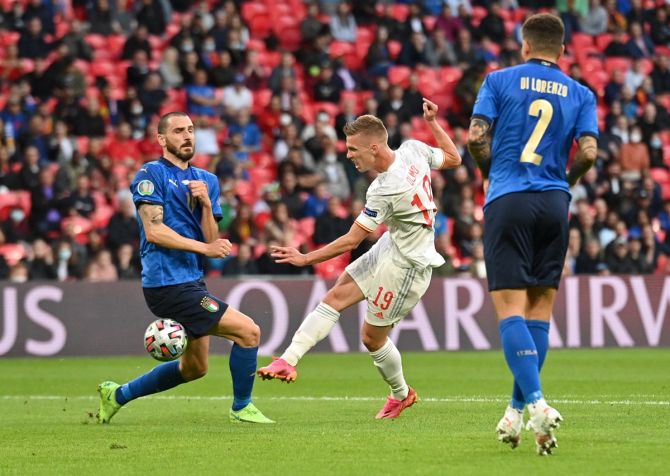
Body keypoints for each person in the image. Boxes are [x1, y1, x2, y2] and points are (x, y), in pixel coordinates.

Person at [257, 99, 462, 419]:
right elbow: (453, 157)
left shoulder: (384, 188)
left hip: (409, 264)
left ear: (376, 148)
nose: (348, 155)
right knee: (335, 295)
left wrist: (305, 258)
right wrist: (433, 123)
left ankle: (402, 394)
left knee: (371, 337)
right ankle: (288, 359)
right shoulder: (413, 149)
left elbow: (352, 240)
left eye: (354, 149)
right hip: (392, 243)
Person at [467, 14, 598, 455]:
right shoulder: (581, 93)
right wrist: (566, 181)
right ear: (562, 51)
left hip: (508, 198)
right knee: (541, 308)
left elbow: (475, 139)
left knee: (510, 310)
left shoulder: (499, 80)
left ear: (524, 46)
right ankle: (514, 411)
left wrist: (490, 174)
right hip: (555, 203)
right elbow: (590, 152)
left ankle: (537, 403)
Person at [96, 112, 274, 425]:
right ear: (162, 139)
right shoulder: (150, 174)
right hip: (166, 284)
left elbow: (211, 237)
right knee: (249, 332)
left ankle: (117, 395)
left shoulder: (208, 181)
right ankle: (241, 407)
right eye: (178, 131)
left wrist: (206, 204)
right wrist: (205, 248)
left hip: (192, 281)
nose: (187, 136)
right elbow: (155, 232)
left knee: (195, 368)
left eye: (191, 130)